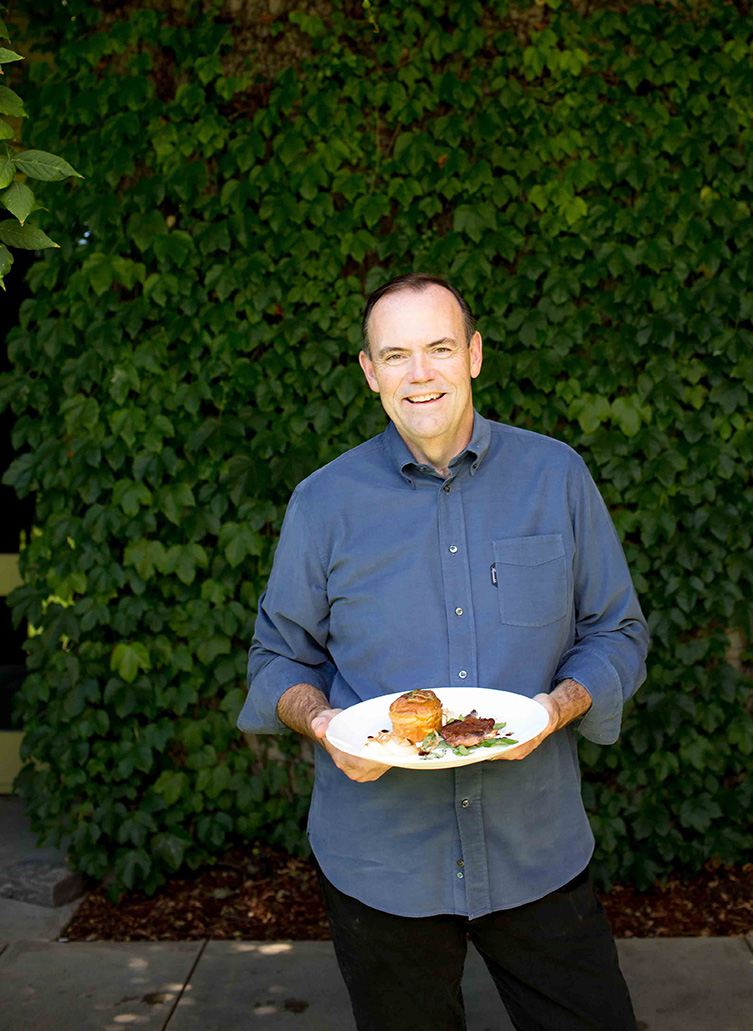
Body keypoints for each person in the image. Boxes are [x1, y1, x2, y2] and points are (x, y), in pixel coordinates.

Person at [238, 272, 649, 1031]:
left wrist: (557, 708)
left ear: (475, 355)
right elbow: (277, 661)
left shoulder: (555, 475)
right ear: (369, 372)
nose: (419, 373)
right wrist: (325, 724)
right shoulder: (322, 503)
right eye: (395, 354)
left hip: (535, 851)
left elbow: (616, 630)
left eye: (438, 347)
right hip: (381, 864)